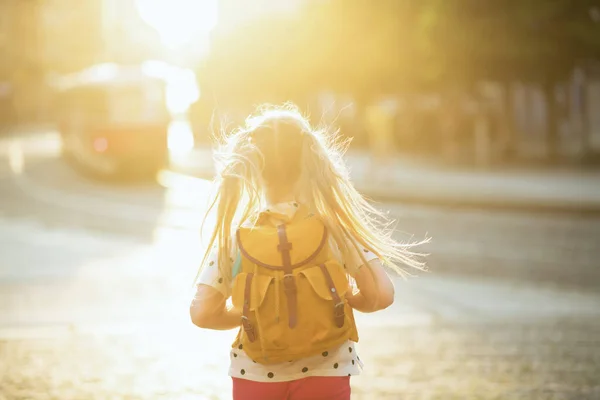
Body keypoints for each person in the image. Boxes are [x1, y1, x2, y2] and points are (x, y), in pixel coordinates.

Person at [190, 104, 427, 400]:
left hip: (256, 372)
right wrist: (348, 296)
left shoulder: (237, 237)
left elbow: (202, 313)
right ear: (311, 161)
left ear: (253, 166)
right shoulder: (335, 229)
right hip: (326, 369)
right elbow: (380, 294)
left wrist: (254, 312)